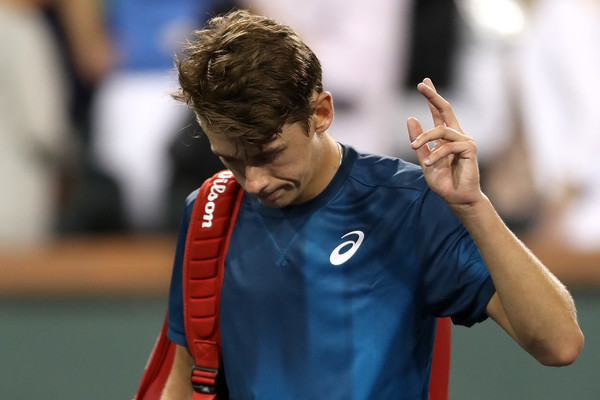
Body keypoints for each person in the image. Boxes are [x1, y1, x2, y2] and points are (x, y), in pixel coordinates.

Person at [158, 10, 583, 400]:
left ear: (321, 112)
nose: (253, 181)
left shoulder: (413, 205)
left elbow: (559, 344)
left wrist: (474, 206)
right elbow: (189, 373)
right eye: (230, 159)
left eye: (269, 154)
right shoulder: (209, 211)